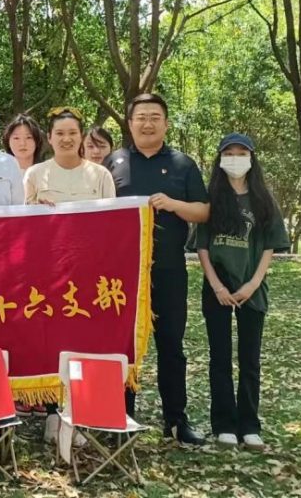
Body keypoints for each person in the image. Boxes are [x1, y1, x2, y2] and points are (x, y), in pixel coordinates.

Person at [106, 92, 210, 446]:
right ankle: (120, 416)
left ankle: (176, 421)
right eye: (141, 117)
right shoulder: (114, 162)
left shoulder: (183, 164)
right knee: (123, 347)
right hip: (122, 275)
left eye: (154, 117)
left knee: (171, 345)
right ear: (130, 123)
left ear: (166, 123)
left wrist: (174, 204)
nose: (147, 123)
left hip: (168, 270)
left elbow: (203, 211)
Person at [24, 109, 116, 441]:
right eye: (59, 133)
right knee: (52, 341)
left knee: (85, 341)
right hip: (48, 274)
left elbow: (111, 223)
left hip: (89, 274)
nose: (66, 139)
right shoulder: (35, 174)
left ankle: (82, 411)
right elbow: (23, 225)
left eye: (72, 133)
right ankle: (52, 412)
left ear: (81, 137)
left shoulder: (100, 175)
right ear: (49, 138)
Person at [196, 134, 289, 451]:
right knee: (219, 358)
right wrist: (216, 285)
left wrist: (253, 284)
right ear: (220, 159)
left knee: (250, 359)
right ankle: (224, 425)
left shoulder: (263, 200)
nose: (235, 159)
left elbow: (269, 246)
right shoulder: (211, 198)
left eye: (241, 153)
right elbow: (202, 246)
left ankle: (250, 426)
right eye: (229, 153)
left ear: (251, 158)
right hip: (218, 285)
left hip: (252, 285)